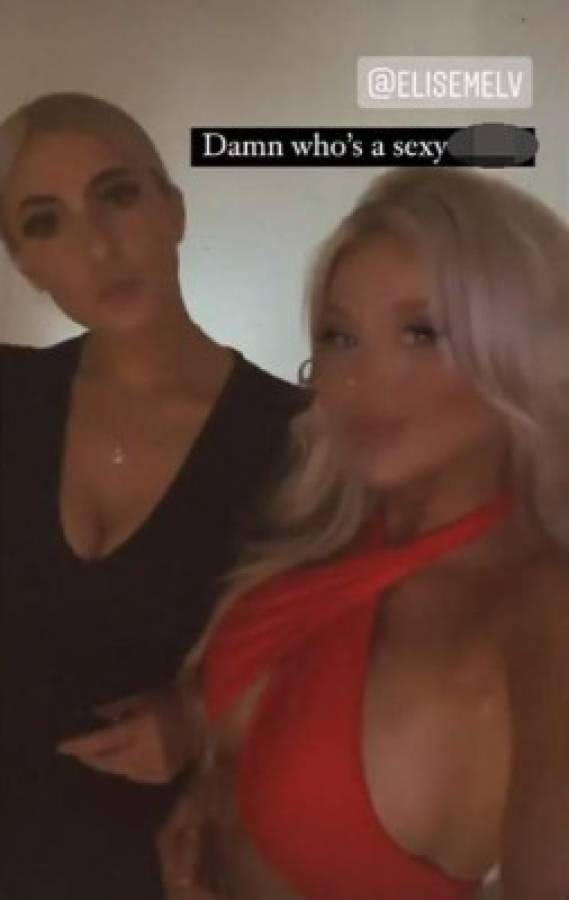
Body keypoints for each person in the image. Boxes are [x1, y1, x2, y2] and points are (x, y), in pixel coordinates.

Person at [158, 168, 569, 900]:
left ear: (518, 353)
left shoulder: (542, 609)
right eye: (340, 336)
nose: (361, 378)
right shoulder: (337, 534)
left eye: (420, 333)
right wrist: (215, 795)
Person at [0, 92, 308, 900]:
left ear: (172, 209)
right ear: (23, 263)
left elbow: (344, 661)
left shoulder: (297, 438)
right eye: (45, 222)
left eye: (118, 195)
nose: (99, 245)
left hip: (173, 870)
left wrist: (204, 716)